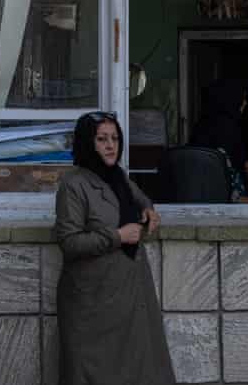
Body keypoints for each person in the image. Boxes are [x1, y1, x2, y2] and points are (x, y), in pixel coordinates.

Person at [54, 111, 175, 385]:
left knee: (137, 370)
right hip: (92, 302)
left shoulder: (117, 176)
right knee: (94, 372)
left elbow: (140, 198)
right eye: (102, 139)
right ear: (88, 143)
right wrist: (117, 236)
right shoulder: (73, 185)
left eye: (115, 139)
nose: (111, 146)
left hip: (128, 295)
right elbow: (69, 243)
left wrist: (148, 211)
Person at [189, 79, 248, 200]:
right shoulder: (230, 128)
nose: (245, 103)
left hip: (198, 195)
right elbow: (238, 167)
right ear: (231, 98)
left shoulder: (200, 126)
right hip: (225, 198)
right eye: (242, 98)